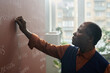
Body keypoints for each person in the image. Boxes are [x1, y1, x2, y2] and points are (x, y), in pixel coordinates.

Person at [15, 16, 110, 73]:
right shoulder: (66, 50)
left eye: (79, 31)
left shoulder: (104, 66)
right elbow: (45, 46)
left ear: (90, 38)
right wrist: (25, 31)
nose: (74, 33)